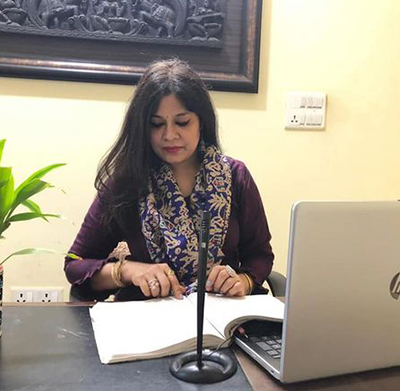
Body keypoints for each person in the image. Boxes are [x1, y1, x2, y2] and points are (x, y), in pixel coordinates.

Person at [64, 58, 274, 302]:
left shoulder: (236, 176)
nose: (170, 135)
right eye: (156, 124)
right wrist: (127, 270)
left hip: (222, 316)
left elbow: (260, 255)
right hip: (148, 314)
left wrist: (242, 281)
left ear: (202, 121)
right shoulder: (127, 182)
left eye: (182, 122)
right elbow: (75, 265)